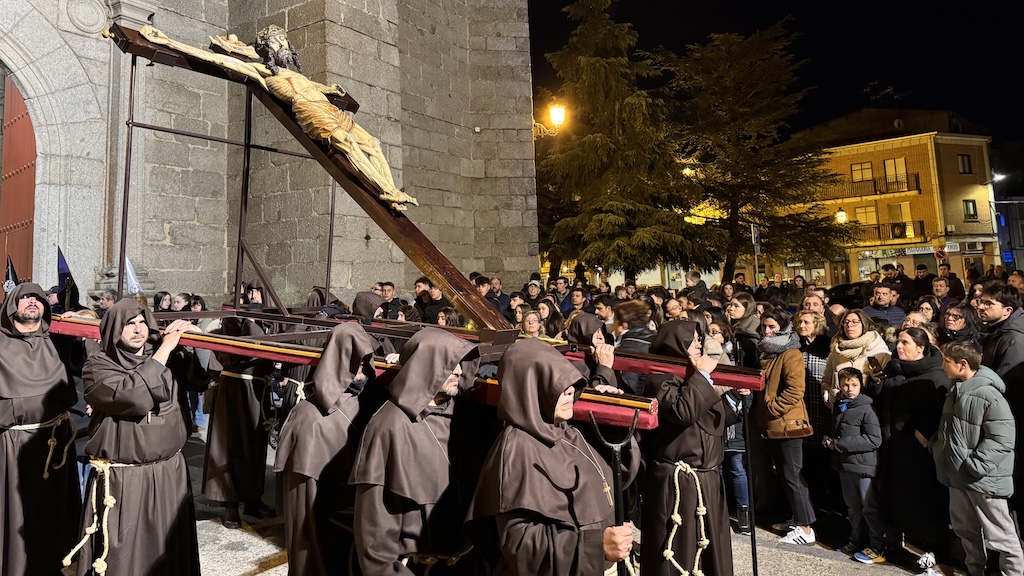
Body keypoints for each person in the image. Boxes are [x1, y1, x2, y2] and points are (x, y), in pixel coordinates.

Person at [466, 338, 636, 575]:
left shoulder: (569, 430)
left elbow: (618, 480)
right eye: (556, 383)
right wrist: (596, 547)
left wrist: (613, 428)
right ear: (531, 388)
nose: (569, 390)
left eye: (569, 382)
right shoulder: (516, 448)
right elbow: (521, 545)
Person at [68, 298, 209, 576]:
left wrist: (198, 341)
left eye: (143, 322)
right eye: (129, 324)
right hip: (125, 482)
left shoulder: (166, 358)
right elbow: (131, 396)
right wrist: (166, 348)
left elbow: (201, 380)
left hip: (170, 474)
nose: (138, 329)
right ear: (113, 330)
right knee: (125, 558)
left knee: (168, 552)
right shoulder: (98, 366)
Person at [351, 328, 484, 574]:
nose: (458, 371)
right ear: (427, 365)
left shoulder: (464, 416)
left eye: (460, 364)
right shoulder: (389, 425)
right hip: (413, 566)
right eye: (450, 364)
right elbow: (374, 524)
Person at [274, 323, 387, 576]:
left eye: (366, 363)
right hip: (324, 520)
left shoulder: (368, 399)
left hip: (357, 520)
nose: (361, 371)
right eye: (355, 363)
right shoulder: (308, 416)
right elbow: (302, 509)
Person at [640, 320, 739, 575]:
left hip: (707, 478)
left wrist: (736, 397)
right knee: (678, 550)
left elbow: (712, 418)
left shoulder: (691, 376)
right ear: (677, 344)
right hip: (677, 480)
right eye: (693, 340)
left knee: (711, 550)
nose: (699, 345)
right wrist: (703, 376)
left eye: (698, 339)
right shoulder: (659, 378)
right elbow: (682, 412)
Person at [1, 283, 82, 576]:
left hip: (56, 441)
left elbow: (88, 362)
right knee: (18, 512)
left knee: (55, 511)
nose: (32, 302)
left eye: (37, 298)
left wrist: (81, 326)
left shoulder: (57, 340)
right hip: (13, 445)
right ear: (12, 306)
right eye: (25, 298)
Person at [932, 341, 1023, 576]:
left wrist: (975, 465)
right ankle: (975, 572)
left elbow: (1002, 438)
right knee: (966, 531)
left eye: (946, 361)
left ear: (962, 364)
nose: (942, 366)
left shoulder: (988, 394)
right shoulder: (958, 389)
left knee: (1002, 537)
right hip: (958, 475)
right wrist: (937, 447)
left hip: (982, 480)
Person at [872, 327, 952, 574]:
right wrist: (876, 383)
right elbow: (883, 400)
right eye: (898, 342)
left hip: (919, 451)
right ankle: (894, 541)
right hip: (893, 446)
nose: (899, 346)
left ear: (921, 347)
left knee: (925, 500)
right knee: (895, 496)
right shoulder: (894, 370)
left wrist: (923, 431)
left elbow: (941, 406)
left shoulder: (935, 375)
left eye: (905, 342)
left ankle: (932, 549)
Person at [753, 309, 817, 545]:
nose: (767, 331)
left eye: (772, 327)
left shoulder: (790, 354)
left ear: (783, 328)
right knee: (784, 474)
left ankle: (806, 528)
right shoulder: (768, 353)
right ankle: (797, 517)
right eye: (764, 327)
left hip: (788, 425)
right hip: (773, 425)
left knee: (793, 475)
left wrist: (771, 408)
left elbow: (795, 390)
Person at [825, 368, 885, 564]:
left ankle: (876, 545)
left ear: (861, 385)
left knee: (869, 507)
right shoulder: (840, 406)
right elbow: (837, 431)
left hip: (863, 466)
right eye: (845, 385)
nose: (850, 389)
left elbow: (874, 439)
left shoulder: (866, 409)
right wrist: (830, 440)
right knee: (853, 508)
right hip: (845, 465)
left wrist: (841, 444)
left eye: (854, 385)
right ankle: (855, 541)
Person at [822, 309, 891, 408]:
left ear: (864, 324)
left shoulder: (879, 351)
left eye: (855, 322)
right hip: (840, 410)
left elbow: (885, 386)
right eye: (846, 322)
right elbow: (826, 380)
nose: (849, 325)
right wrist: (829, 397)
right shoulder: (836, 351)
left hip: (868, 410)